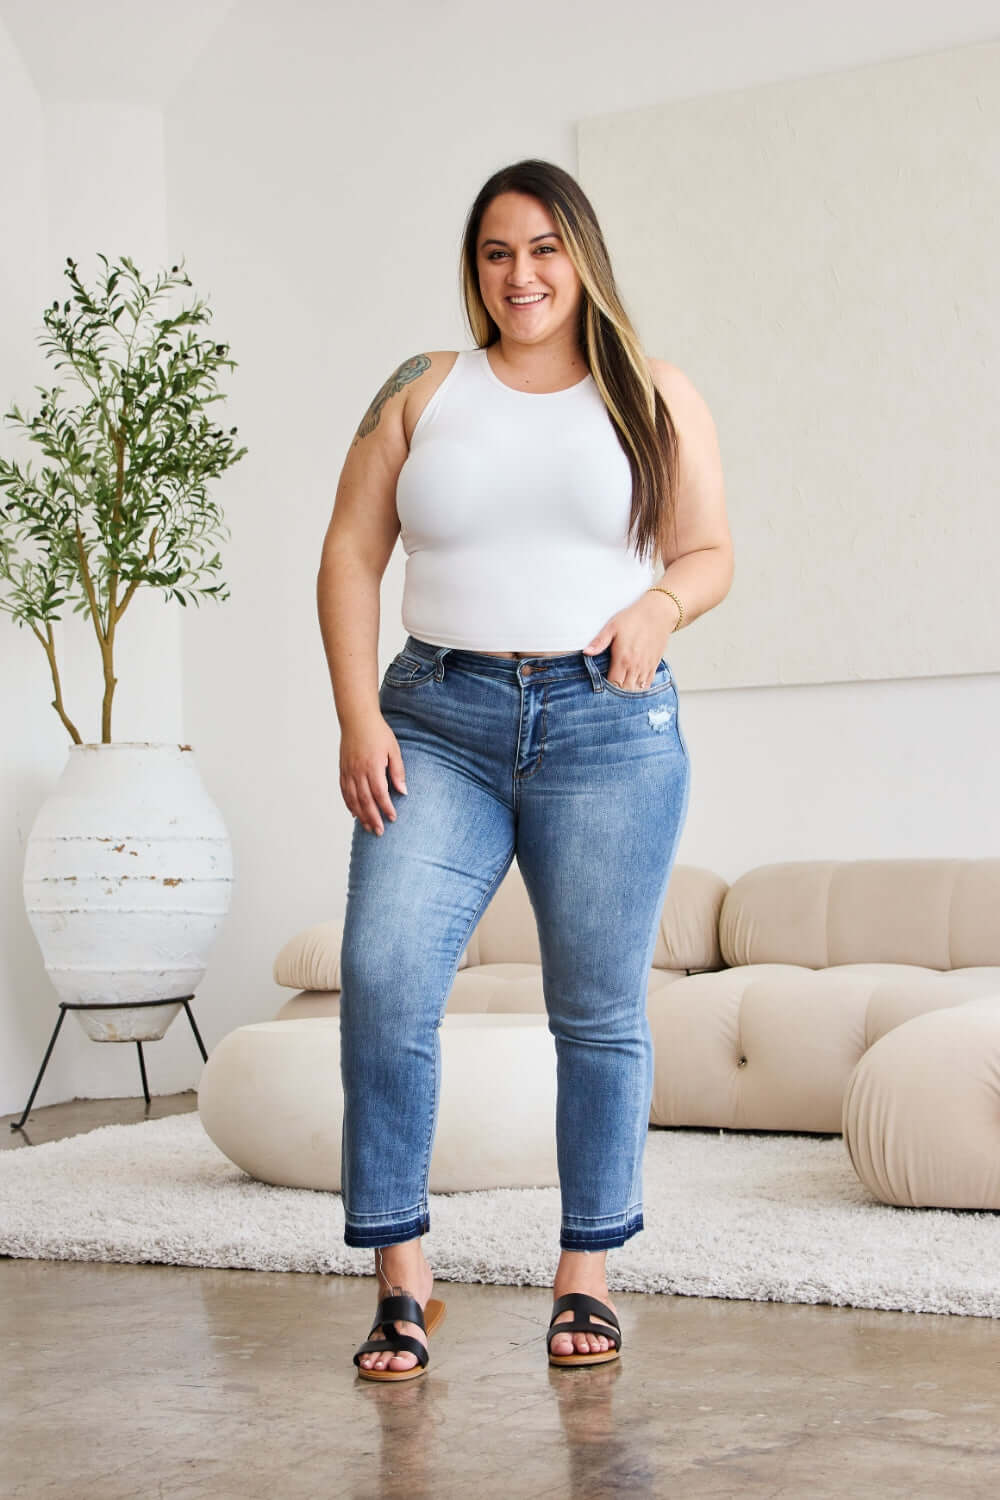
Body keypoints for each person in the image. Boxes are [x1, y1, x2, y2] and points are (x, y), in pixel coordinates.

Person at [316, 158, 733, 1381]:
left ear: (582, 257)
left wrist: (659, 603)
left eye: (544, 248)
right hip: (436, 718)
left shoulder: (651, 392)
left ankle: (587, 1275)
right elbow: (348, 554)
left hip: (606, 722)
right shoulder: (421, 389)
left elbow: (710, 550)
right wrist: (356, 716)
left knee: (596, 1012)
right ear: (474, 269)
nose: (521, 275)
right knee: (385, 977)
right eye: (497, 253)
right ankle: (404, 1284)